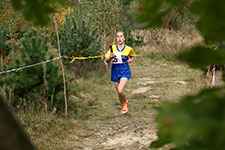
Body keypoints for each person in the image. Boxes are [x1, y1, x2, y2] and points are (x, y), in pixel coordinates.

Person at [105, 31, 136, 114]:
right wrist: (110, 58)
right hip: (115, 71)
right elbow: (107, 61)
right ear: (116, 38)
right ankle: (123, 106)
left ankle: (126, 103)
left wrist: (130, 60)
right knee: (118, 93)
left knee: (120, 90)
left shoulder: (128, 49)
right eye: (118, 36)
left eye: (121, 36)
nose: (119, 38)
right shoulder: (112, 48)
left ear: (124, 38)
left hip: (125, 70)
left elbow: (132, 56)